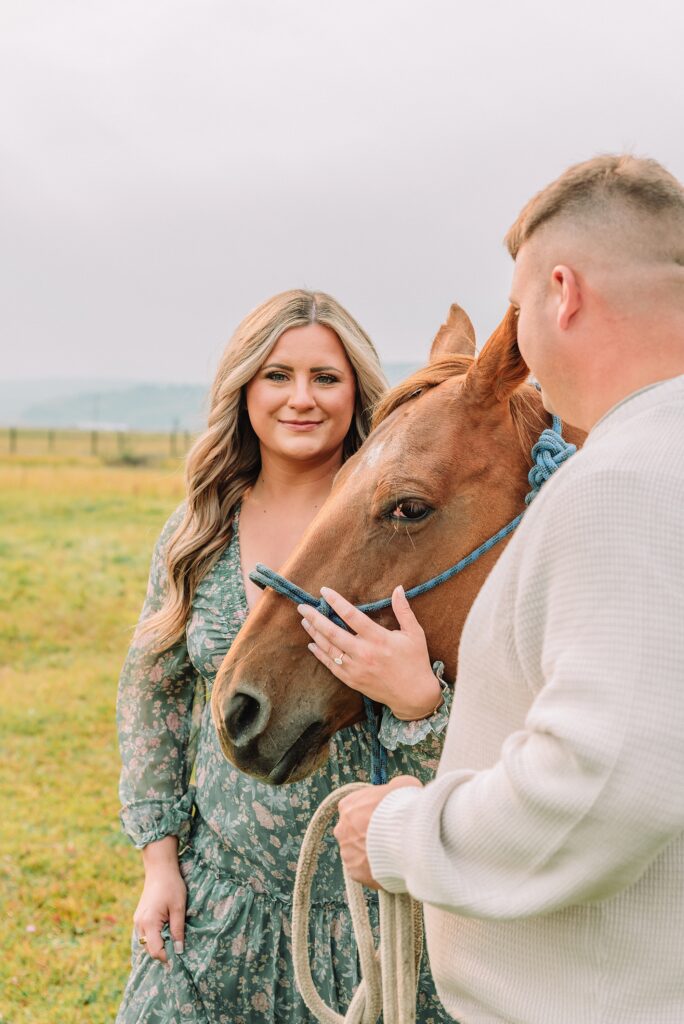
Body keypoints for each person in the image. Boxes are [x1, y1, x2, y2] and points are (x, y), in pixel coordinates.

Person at [319, 155, 684, 1023]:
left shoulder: (622, 483)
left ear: (561, 294)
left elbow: (604, 788)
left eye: (516, 308)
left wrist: (403, 834)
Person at [115, 289, 454, 1023]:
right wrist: (160, 865)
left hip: (370, 919)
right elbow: (155, 700)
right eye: (277, 375)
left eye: (325, 378)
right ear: (243, 391)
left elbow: (464, 720)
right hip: (218, 905)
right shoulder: (198, 532)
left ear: (356, 392)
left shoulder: (403, 531)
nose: (301, 398)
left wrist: (416, 700)